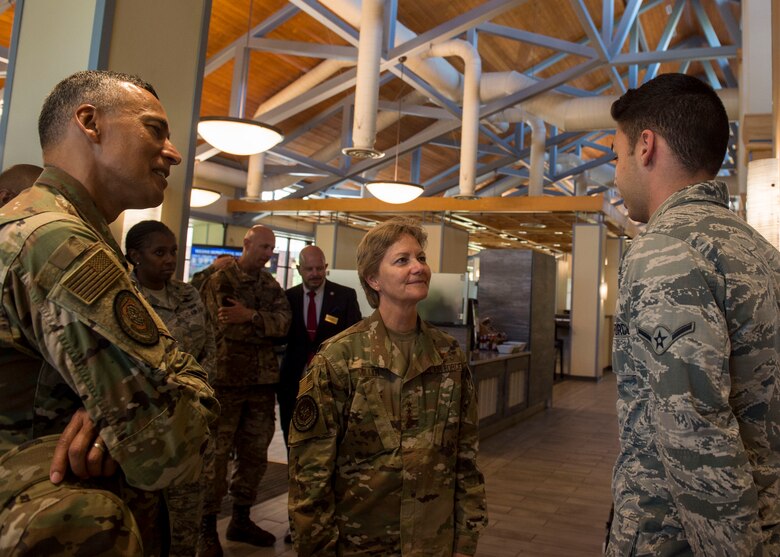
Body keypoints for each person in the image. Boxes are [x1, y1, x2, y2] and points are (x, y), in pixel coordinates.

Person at [0, 70, 218, 554]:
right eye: (155, 130)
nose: (174, 152)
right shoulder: (57, 242)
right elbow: (169, 446)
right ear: (89, 122)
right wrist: (162, 399)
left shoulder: (38, 225)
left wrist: (119, 411)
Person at [607, 73, 780, 556]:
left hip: (677, 539)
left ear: (646, 147)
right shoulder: (758, 251)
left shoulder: (664, 250)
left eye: (616, 155)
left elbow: (693, 428)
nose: (615, 173)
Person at [288, 217, 488, 556]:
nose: (419, 267)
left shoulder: (448, 354)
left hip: (433, 542)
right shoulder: (339, 358)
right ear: (373, 278)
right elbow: (310, 475)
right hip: (363, 544)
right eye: (402, 260)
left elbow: (465, 458)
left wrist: (465, 542)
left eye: (421, 258)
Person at [198, 224, 292, 557]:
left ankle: (241, 517)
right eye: (263, 247)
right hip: (225, 382)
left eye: (271, 249)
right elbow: (222, 321)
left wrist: (250, 316)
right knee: (216, 457)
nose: (267, 255)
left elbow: (284, 325)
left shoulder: (270, 284)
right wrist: (261, 323)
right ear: (247, 244)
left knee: (255, 455)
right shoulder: (221, 281)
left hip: (261, 385)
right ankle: (207, 527)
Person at [125, 219, 217, 557]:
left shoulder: (187, 294)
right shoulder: (123, 297)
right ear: (135, 256)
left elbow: (209, 348)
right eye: (159, 252)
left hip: (192, 425)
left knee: (185, 520)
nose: (169, 259)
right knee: (141, 525)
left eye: (173, 251)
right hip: (144, 426)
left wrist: (199, 398)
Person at [279, 245, 362, 447]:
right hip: (294, 380)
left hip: (332, 381)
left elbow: (355, 337)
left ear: (325, 267)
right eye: (309, 269)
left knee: (328, 440)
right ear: (299, 270)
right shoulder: (287, 298)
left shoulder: (345, 296)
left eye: (319, 268)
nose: (315, 274)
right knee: (292, 435)